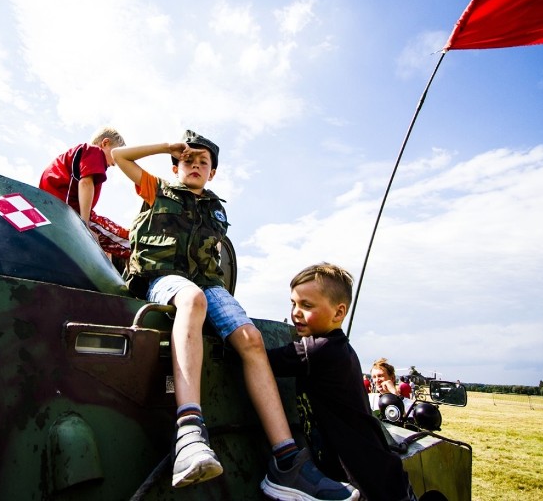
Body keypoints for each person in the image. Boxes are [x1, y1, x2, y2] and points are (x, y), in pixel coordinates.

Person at [112, 131, 354, 500]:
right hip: (162, 279)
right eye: (188, 160)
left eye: (203, 162)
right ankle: (190, 433)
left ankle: (287, 461)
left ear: (212, 173)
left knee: (251, 338)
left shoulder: (214, 209)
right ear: (176, 166)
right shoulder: (155, 189)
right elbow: (118, 155)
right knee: (192, 300)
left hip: (208, 284)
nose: (195, 165)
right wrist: (166, 147)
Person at [266, 263, 416, 501]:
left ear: (338, 313)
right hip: (378, 468)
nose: (296, 312)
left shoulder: (319, 351)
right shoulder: (340, 348)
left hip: (364, 474)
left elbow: (261, 358)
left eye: (306, 305)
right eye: (293, 303)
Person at [39, 127, 130, 260]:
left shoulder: (72, 156)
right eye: (116, 155)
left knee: (107, 243)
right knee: (127, 240)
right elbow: (85, 183)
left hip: (54, 207)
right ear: (105, 143)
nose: (116, 163)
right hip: (69, 212)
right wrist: (84, 225)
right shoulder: (94, 151)